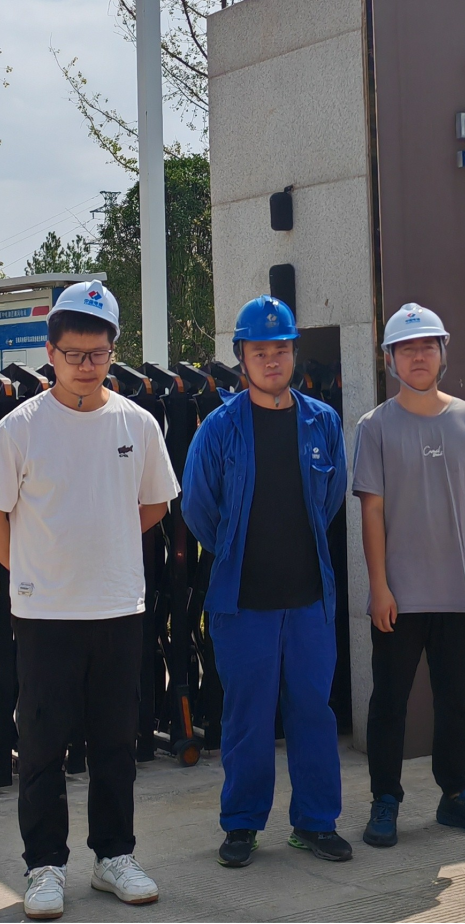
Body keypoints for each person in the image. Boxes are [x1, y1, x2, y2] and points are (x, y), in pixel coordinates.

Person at [0, 280, 179, 920]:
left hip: (118, 608)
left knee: (117, 743)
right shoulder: (19, 429)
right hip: (45, 615)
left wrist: (103, 548)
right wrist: (37, 569)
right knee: (42, 747)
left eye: (97, 354)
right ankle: (45, 867)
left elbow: (154, 503)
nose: (85, 366)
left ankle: (114, 856)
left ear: (113, 352)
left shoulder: (138, 423)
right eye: (73, 354)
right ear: (50, 352)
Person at [181, 295, 351, 868]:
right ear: (242, 356)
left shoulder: (322, 422)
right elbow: (198, 508)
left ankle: (316, 822)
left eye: (280, 349)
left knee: (314, 713)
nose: (271, 359)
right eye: (260, 350)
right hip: (242, 603)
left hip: (309, 602)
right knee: (247, 719)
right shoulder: (219, 429)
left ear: (294, 353)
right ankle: (242, 824)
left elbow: (330, 500)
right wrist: (235, 549)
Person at [353, 303, 465, 848]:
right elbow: (371, 511)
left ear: (443, 353)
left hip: (458, 592)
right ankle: (385, 799)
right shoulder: (374, 426)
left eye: (427, 346)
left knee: (456, 702)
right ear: (390, 359)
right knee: (389, 703)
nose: (417, 356)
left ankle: (456, 795)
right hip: (398, 597)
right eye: (406, 348)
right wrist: (378, 586)